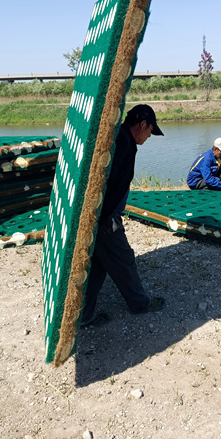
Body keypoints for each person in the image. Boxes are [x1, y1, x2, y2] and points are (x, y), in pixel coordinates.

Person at [81, 104, 165, 327]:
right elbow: (103, 183)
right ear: (142, 124)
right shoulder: (122, 143)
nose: (149, 136)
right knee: (124, 259)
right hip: (104, 217)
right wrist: (107, 217)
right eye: (150, 131)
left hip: (97, 215)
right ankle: (140, 304)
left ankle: (84, 315)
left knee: (99, 265)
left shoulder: (120, 137)